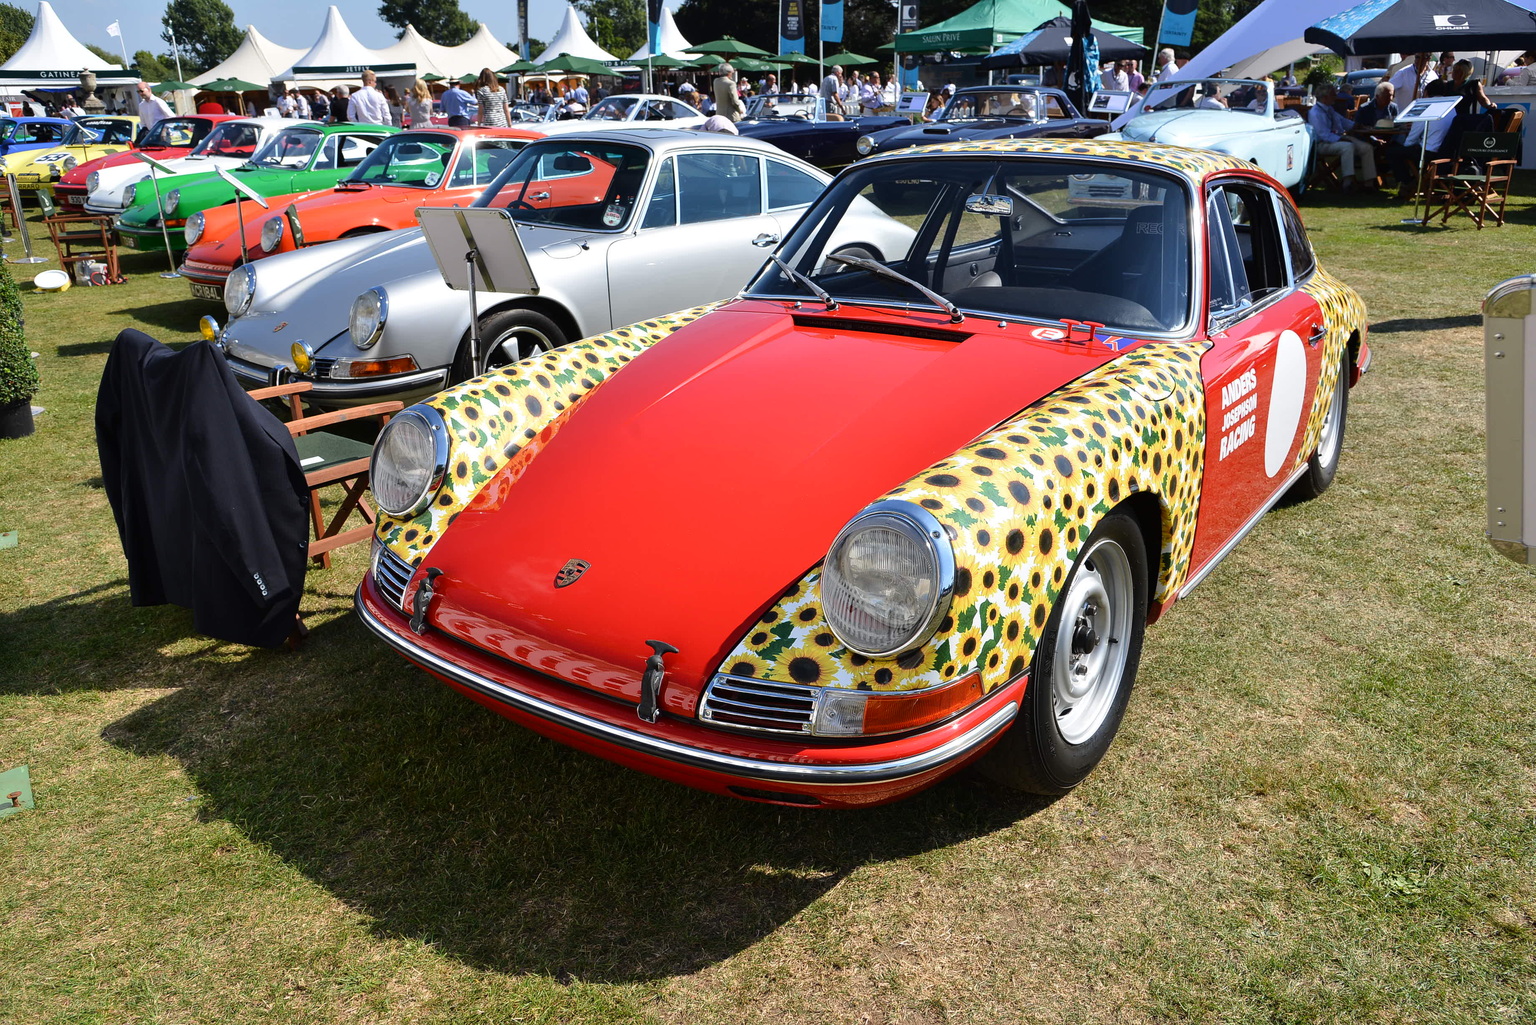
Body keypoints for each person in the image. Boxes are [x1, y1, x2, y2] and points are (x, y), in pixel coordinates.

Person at [1308, 83, 1376, 191]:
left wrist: (1356, 125)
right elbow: (1323, 135)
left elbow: (1342, 121)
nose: (1336, 97)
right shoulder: (1315, 113)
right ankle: (1348, 183)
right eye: (1333, 95)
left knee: (1366, 147)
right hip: (1321, 144)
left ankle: (1369, 183)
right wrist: (1342, 138)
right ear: (1325, 97)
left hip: (1336, 139)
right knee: (1347, 147)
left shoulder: (1329, 109)